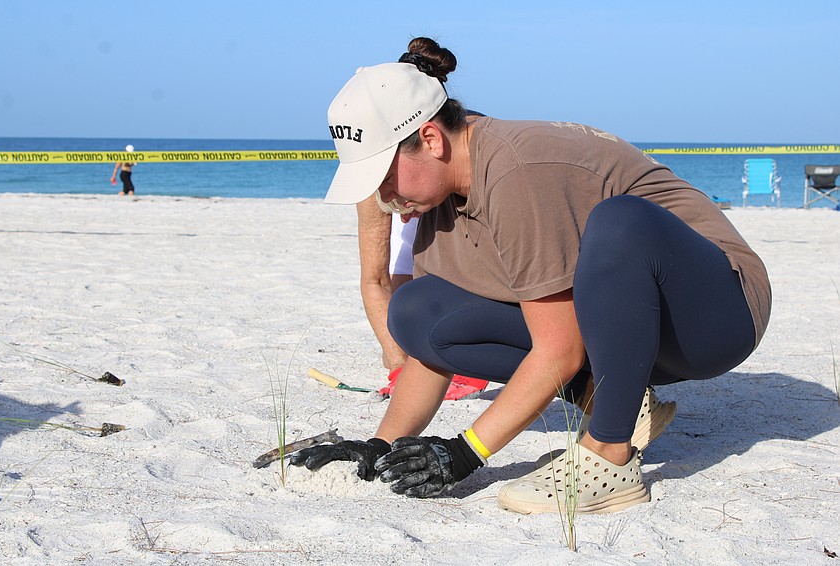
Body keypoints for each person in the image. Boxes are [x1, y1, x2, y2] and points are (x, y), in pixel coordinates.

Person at [292, 37, 771, 515]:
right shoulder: (434, 197)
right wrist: (383, 445)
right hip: (627, 329)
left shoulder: (516, 168)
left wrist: (465, 453)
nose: (382, 197)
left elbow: (558, 348)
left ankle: (609, 455)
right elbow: (429, 352)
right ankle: (611, 395)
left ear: (431, 139)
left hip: (715, 314)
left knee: (618, 221)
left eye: (383, 176)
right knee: (417, 311)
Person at [357, 148, 488, 401]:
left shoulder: (454, 157)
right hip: (419, 205)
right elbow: (374, 279)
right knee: (400, 342)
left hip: (455, 205)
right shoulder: (368, 176)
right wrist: (399, 370)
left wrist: (473, 367)